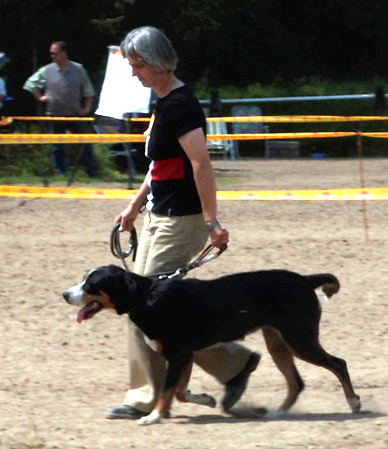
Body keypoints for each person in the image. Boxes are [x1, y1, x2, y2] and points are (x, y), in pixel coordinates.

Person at [110, 26, 260, 420]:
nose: (133, 73)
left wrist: (212, 222)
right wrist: (134, 208)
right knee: (160, 312)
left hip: (181, 221)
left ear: (157, 62)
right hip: (160, 217)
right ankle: (234, 364)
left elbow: (201, 164)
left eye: (137, 64)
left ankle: (144, 397)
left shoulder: (181, 106)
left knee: (142, 307)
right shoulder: (164, 103)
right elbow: (159, 167)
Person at [23, 41, 98, 176]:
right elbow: (30, 84)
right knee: (57, 147)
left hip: (75, 114)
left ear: (63, 53)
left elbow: (89, 92)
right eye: (51, 53)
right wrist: (40, 97)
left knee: (85, 144)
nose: (52, 56)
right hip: (54, 115)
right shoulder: (47, 70)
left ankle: (93, 172)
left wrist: (86, 109)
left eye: (55, 53)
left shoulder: (79, 69)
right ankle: (60, 174)